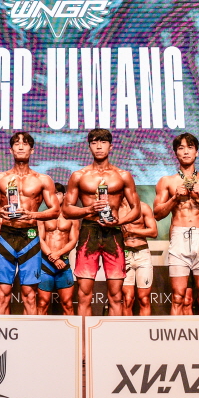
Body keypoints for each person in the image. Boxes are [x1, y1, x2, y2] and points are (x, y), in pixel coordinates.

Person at [0, 132, 60, 316]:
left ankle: (29, 334)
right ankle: (0, 334)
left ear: (32, 150)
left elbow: (55, 210)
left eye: (25, 144)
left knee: (30, 295)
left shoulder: (43, 179)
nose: (21, 147)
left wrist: (32, 214)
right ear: (10, 150)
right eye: (16, 143)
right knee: (2, 294)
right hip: (6, 236)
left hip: (29, 237)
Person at [63, 128, 142, 316]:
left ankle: (113, 335)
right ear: (89, 146)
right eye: (94, 142)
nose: (99, 147)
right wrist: (88, 210)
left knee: (116, 295)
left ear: (110, 146)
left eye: (103, 142)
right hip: (89, 231)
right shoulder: (79, 175)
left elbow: (136, 209)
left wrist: (119, 222)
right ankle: (85, 334)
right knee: (84, 294)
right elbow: (66, 210)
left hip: (113, 232)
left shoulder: (123, 175)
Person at [154, 133, 199, 316]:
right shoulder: (167, 181)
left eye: (190, 147)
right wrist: (174, 198)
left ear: (197, 152)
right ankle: (176, 335)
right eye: (181, 148)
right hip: (179, 236)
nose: (186, 152)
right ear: (175, 153)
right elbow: (157, 214)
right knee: (178, 296)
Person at [37, 182, 78, 315]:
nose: (54, 197)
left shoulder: (72, 217)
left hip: (63, 264)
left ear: (64, 195)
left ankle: (72, 329)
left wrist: (58, 254)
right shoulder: (42, 216)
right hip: (45, 264)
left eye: (57, 193)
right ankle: (38, 329)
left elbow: (73, 241)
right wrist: (53, 257)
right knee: (42, 303)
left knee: (68, 304)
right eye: (51, 194)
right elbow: (40, 239)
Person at [121, 201, 158, 316]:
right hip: (124, 253)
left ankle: (144, 327)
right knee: (127, 299)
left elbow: (153, 232)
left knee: (144, 298)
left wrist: (132, 231)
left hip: (142, 253)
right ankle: (127, 328)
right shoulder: (115, 208)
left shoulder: (143, 207)